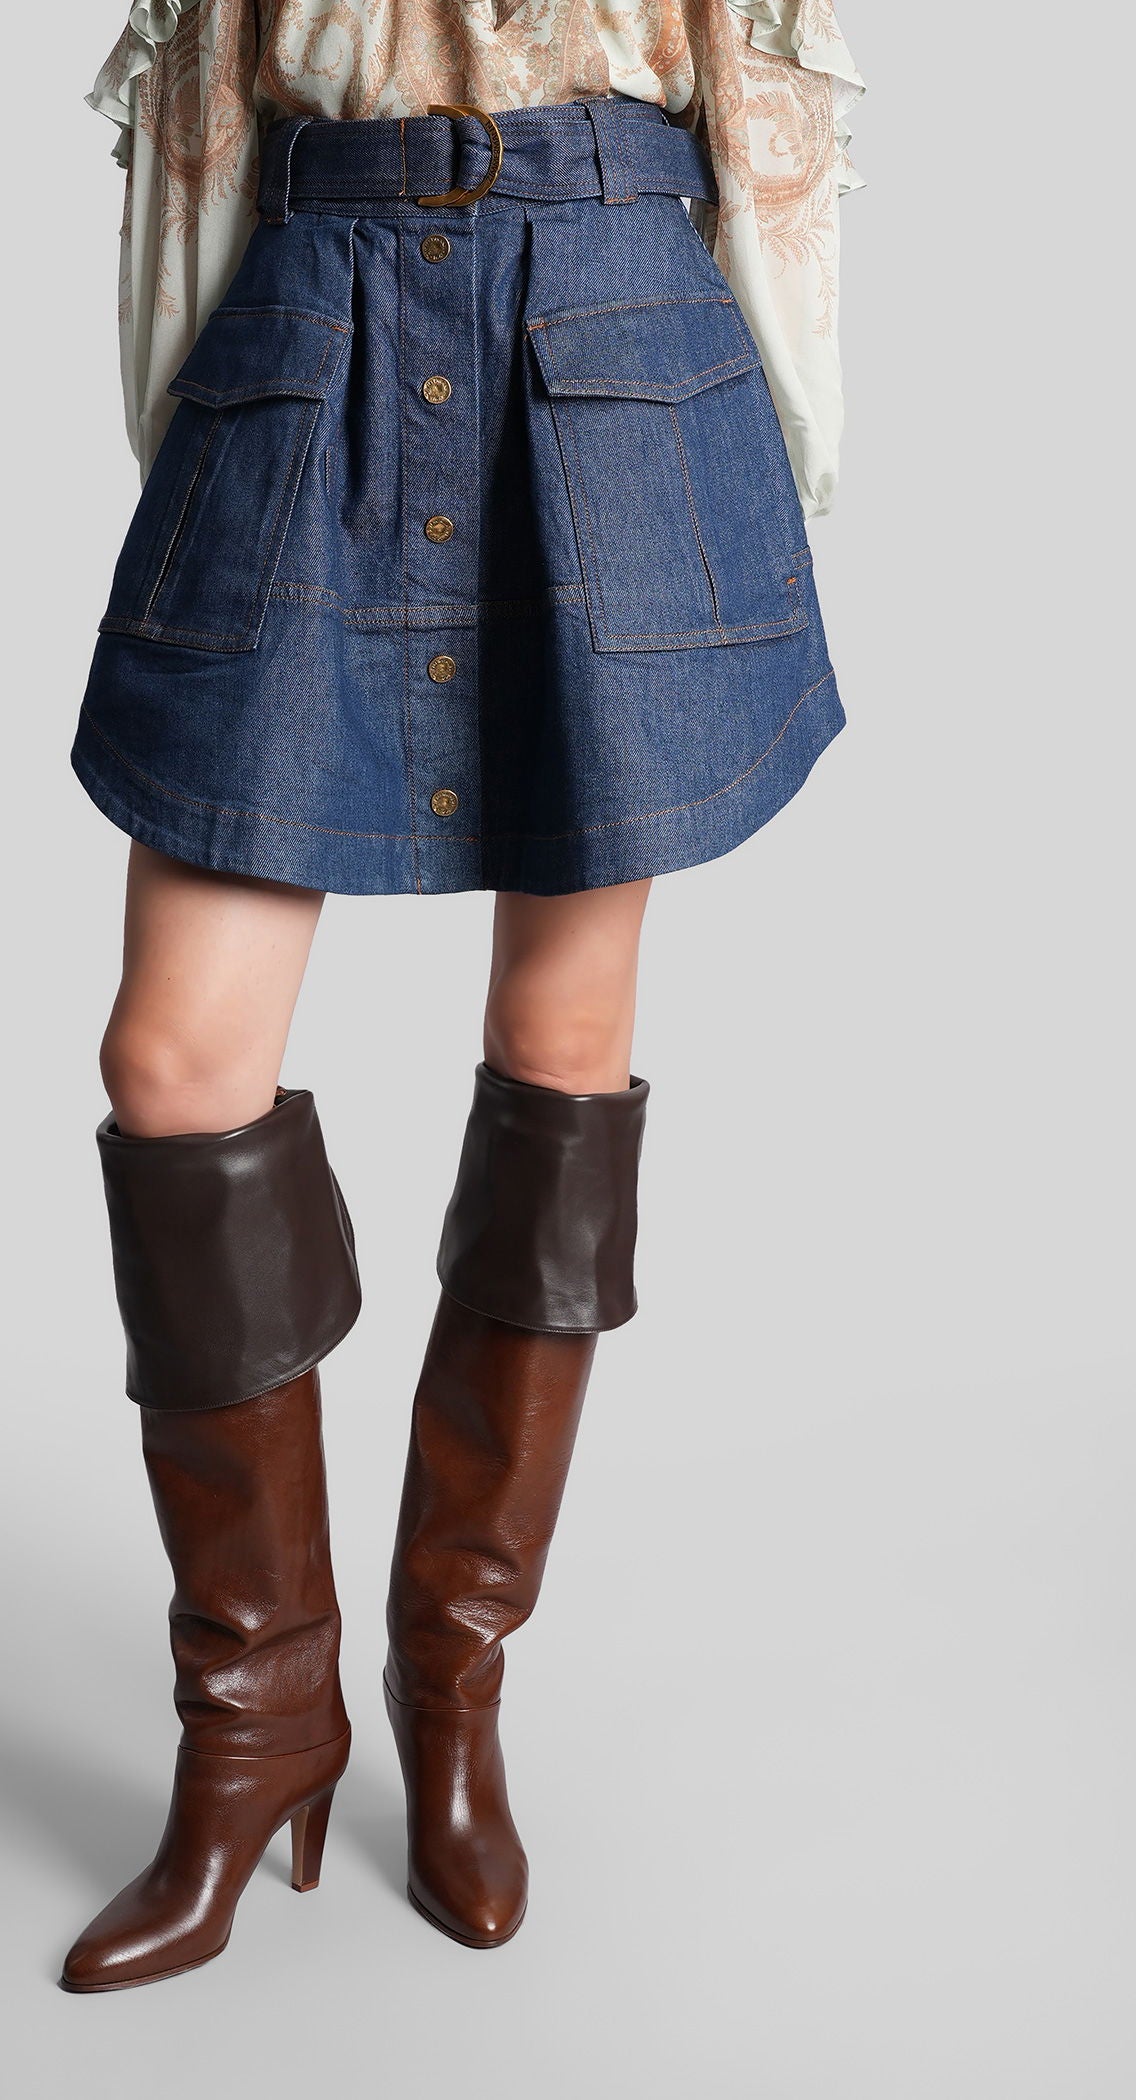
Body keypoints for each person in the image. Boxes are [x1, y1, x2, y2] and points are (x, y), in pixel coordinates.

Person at [59, 0, 865, 1993]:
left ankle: (454, 1677)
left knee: (561, 1048)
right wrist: (191, 431)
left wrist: (781, 432)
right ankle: (257, 1724)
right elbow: (196, 104)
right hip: (310, 329)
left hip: (609, 339)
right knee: (174, 1062)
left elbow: (763, 88)